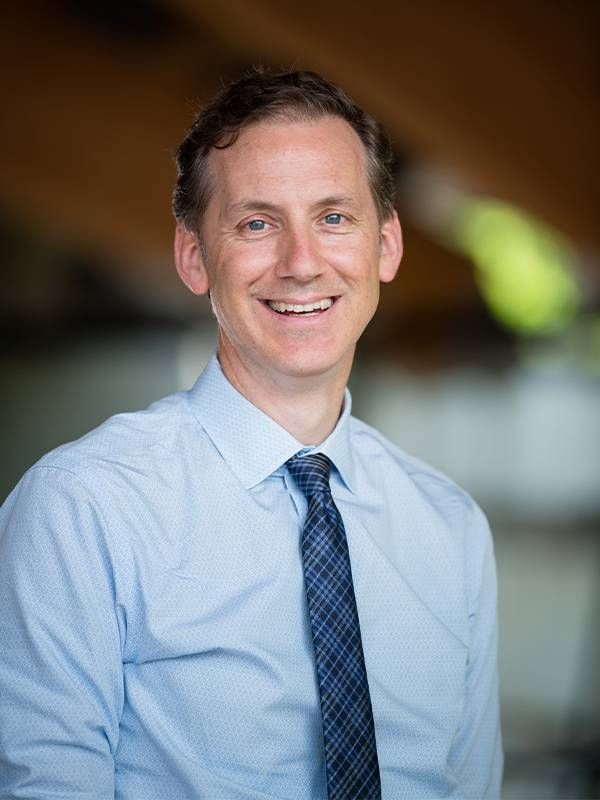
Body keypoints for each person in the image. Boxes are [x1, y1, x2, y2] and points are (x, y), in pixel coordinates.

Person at [0, 69, 502, 799]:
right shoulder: (84, 511)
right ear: (194, 257)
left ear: (386, 246)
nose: (302, 264)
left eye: (334, 217)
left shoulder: (451, 529)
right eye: (257, 223)